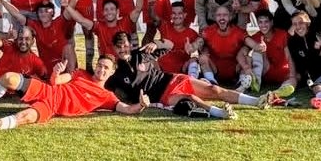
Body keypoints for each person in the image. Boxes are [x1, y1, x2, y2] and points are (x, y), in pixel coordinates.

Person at [0, 55, 149, 135]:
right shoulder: (80, 73)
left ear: (111, 73)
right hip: (48, 90)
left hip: (52, 107)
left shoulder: (107, 96)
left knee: (25, 117)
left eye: (105, 68)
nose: (101, 69)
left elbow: (126, 109)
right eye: (100, 65)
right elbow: (57, 81)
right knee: (8, 78)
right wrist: (56, 74)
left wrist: (141, 105)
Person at [106, 32, 275, 120]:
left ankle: (256, 101)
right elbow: (108, 93)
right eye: (119, 47)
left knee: (214, 89)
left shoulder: (141, 54)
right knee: (190, 97)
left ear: (130, 45)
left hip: (171, 79)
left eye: (126, 46)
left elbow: (170, 45)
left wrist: (155, 43)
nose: (123, 50)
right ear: (114, 48)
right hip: (161, 95)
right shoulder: (115, 73)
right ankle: (221, 113)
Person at [0, 0, 77, 74]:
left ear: (53, 13)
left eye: (46, 11)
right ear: (38, 14)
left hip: (64, 64)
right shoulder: (35, 26)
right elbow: (16, 14)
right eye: (40, 11)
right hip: (47, 67)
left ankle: (72, 77)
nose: (43, 13)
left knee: (69, 47)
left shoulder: (59, 22)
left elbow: (71, 7)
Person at [67, 0, 144, 56]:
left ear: (117, 11)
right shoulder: (99, 26)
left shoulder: (125, 22)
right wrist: (67, 6)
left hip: (123, 62)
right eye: (106, 10)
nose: (109, 12)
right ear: (103, 12)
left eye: (112, 9)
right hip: (107, 63)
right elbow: (81, 20)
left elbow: (138, 9)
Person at [195, 6, 254, 89]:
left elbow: (249, 42)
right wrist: (192, 46)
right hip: (215, 69)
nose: (222, 18)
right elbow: (198, 42)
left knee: (248, 58)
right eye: (219, 15)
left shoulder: (237, 31)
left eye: (225, 15)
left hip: (234, 69)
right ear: (215, 17)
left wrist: (259, 46)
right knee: (202, 57)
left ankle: (241, 83)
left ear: (230, 17)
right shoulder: (209, 31)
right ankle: (211, 81)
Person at [245, 10, 297, 97]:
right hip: (266, 72)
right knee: (255, 54)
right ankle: (254, 81)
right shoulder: (255, 37)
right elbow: (245, 53)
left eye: (266, 22)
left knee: (296, 77)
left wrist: (292, 75)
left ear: (272, 22)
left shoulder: (282, 34)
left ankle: (279, 92)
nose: (263, 25)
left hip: (282, 71)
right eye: (260, 22)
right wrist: (248, 68)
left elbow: (288, 56)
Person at [144, 0, 199, 74]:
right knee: (147, 62)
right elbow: (154, 17)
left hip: (181, 72)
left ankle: (193, 78)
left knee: (194, 61)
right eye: (174, 13)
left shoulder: (192, 33)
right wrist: (151, 5)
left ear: (185, 15)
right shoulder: (165, 26)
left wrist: (193, 57)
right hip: (160, 70)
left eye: (180, 13)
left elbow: (201, 52)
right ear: (171, 15)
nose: (176, 16)